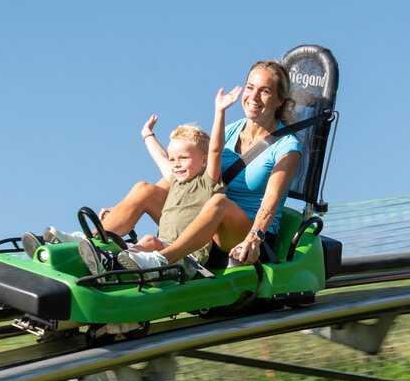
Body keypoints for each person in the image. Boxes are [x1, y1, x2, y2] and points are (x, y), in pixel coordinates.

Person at [116, 60, 304, 270]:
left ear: (279, 100)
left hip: (247, 233)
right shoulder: (232, 130)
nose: (253, 96)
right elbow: (191, 172)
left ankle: (163, 260)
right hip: (206, 219)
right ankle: (96, 244)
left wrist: (254, 237)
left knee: (218, 203)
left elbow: (271, 201)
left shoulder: (288, 147)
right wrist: (125, 207)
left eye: (265, 91)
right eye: (250, 87)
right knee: (145, 190)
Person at [64, 109, 227, 269]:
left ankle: (112, 263)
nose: (176, 164)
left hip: (186, 257)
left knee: (149, 240)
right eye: (173, 159)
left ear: (204, 161)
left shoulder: (207, 183)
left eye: (183, 158)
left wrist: (220, 111)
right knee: (134, 243)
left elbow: (215, 151)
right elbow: (161, 157)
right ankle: (91, 248)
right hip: (159, 250)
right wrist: (147, 134)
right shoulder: (176, 180)